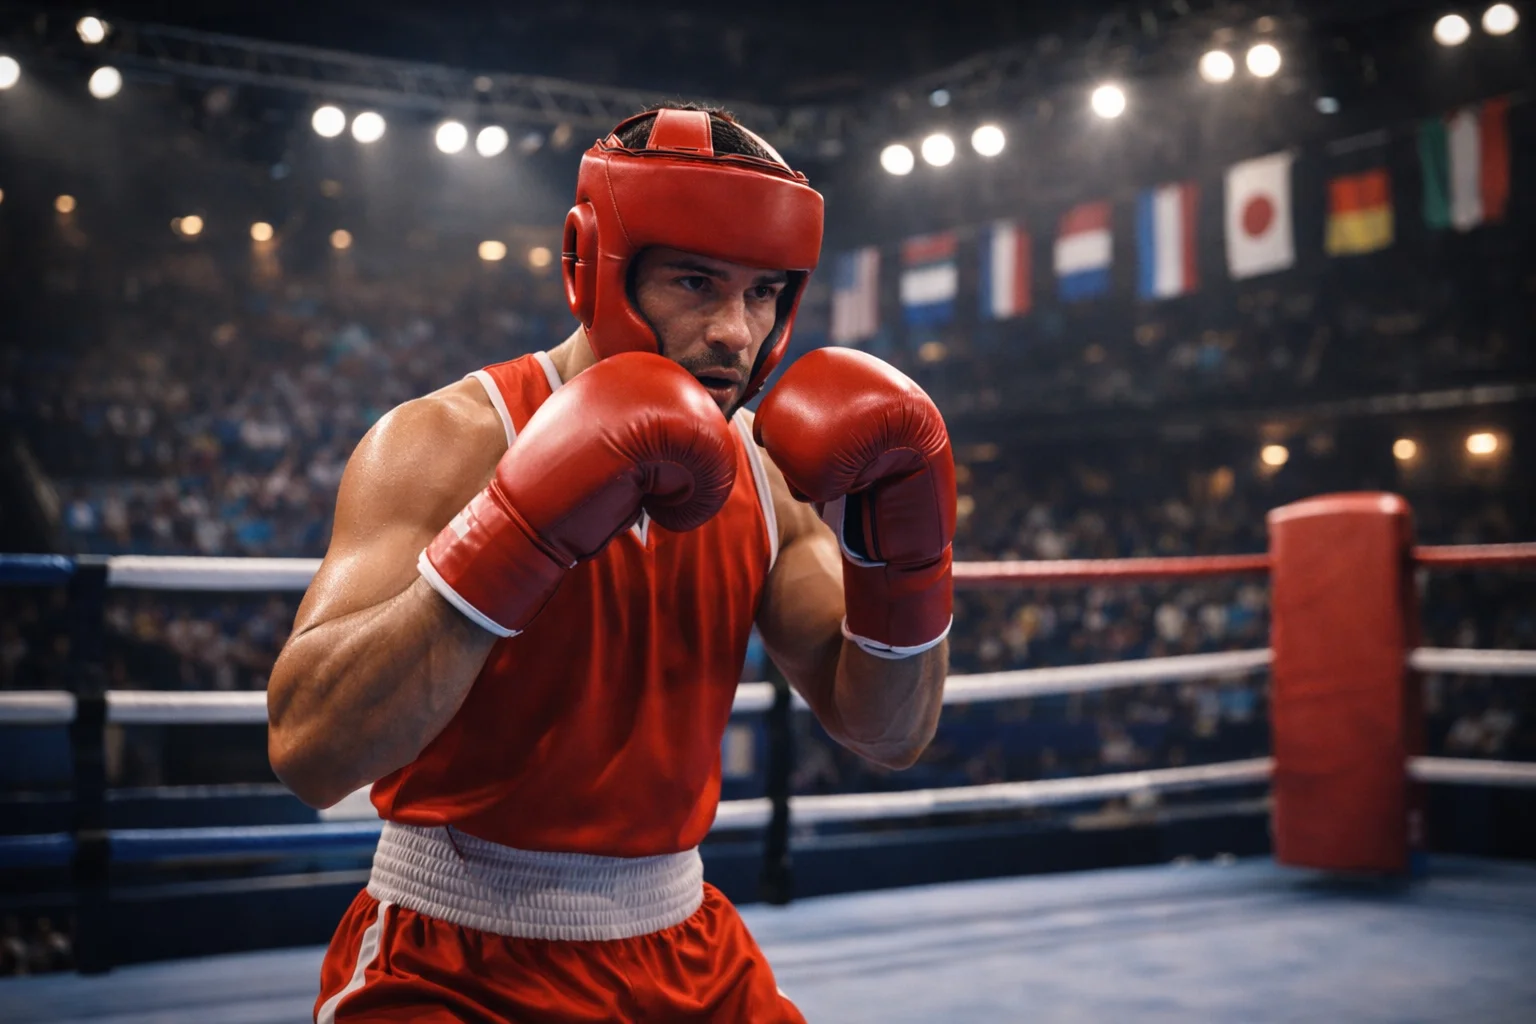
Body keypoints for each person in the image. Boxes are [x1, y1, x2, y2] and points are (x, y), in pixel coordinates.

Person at [266, 106, 956, 1022]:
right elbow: (310, 752)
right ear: (593, 266)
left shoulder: (765, 473)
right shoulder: (447, 440)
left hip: (687, 947)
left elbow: (888, 733)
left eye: (763, 294)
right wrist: (515, 530)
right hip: (454, 956)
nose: (734, 333)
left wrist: (902, 551)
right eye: (696, 282)